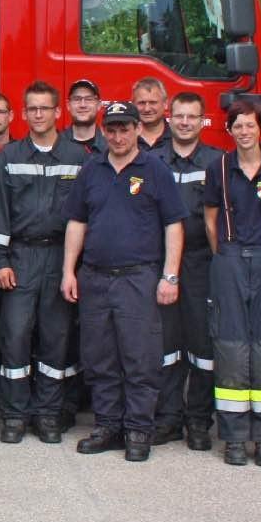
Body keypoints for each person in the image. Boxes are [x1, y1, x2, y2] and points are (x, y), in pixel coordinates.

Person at [61, 101, 184, 462]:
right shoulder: (91, 169)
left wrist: (170, 275)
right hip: (95, 277)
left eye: (124, 129)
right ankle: (108, 426)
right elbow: (77, 222)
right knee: (99, 357)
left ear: (137, 129)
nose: (118, 136)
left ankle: (138, 429)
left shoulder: (155, 169)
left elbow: (173, 224)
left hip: (138, 277)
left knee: (139, 357)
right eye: (111, 130)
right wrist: (69, 270)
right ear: (104, 132)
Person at [0, 81, 87, 444]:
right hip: (20, 257)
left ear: (58, 112)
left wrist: (75, 268)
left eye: (45, 108)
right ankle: (14, 415)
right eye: (32, 109)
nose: (39, 114)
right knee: (14, 336)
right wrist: (0, 261)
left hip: (60, 256)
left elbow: (85, 216)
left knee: (56, 338)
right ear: (24, 114)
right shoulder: (9, 157)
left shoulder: (78, 157)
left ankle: (47, 414)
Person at [202, 100, 261, 467]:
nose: (244, 131)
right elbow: (210, 220)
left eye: (250, 125)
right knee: (230, 346)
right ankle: (234, 437)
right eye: (237, 126)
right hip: (228, 259)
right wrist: (226, 255)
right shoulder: (218, 169)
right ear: (229, 130)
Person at [153, 92, 223, 450]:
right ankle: (167, 418)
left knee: (202, 345)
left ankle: (198, 420)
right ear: (169, 118)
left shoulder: (217, 162)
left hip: (201, 263)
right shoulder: (151, 162)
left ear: (202, 120)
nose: (184, 122)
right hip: (161, 262)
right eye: (179, 116)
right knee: (165, 344)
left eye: (191, 116)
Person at [62, 79, 103, 154]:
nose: (83, 105)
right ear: (68, 105)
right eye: (77, 99)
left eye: (89, 99)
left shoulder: (111, 144)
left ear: (99, 105)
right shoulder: (55, 144)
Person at [131, 77, 170, 151]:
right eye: (141, 103)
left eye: (153, 102)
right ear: (133, 105)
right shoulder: (124, 139)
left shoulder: (178, 137)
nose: (147, 109)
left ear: (165, 104)